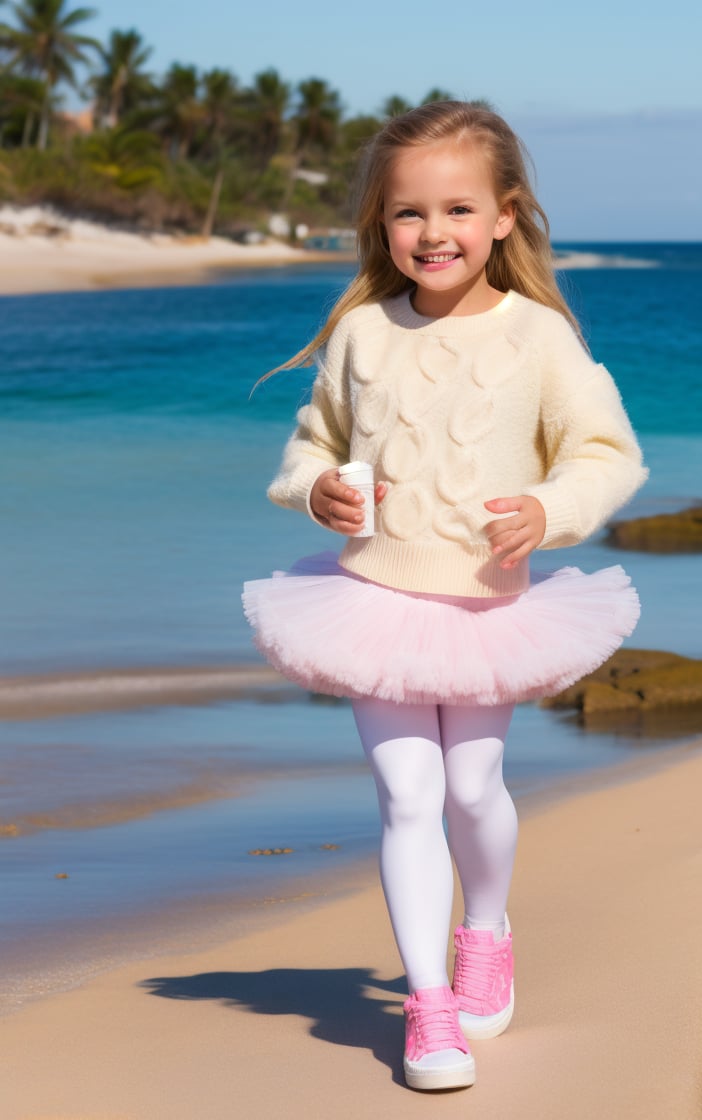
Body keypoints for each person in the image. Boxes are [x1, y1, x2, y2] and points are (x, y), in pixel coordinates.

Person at [243, 100, 647, 1092]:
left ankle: (484, 927)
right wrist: (317, 489)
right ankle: (428, 1006)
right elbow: (312, 444)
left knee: (471, 788)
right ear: (381, 225)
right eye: (407, 214)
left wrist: (548, 510)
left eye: (457, 210)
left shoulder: (539, 335)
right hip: (374, 602)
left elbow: (607, 454)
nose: (432, 234)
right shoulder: (360, 334)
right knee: (407, 794)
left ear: (504, 215)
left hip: (487, 611)